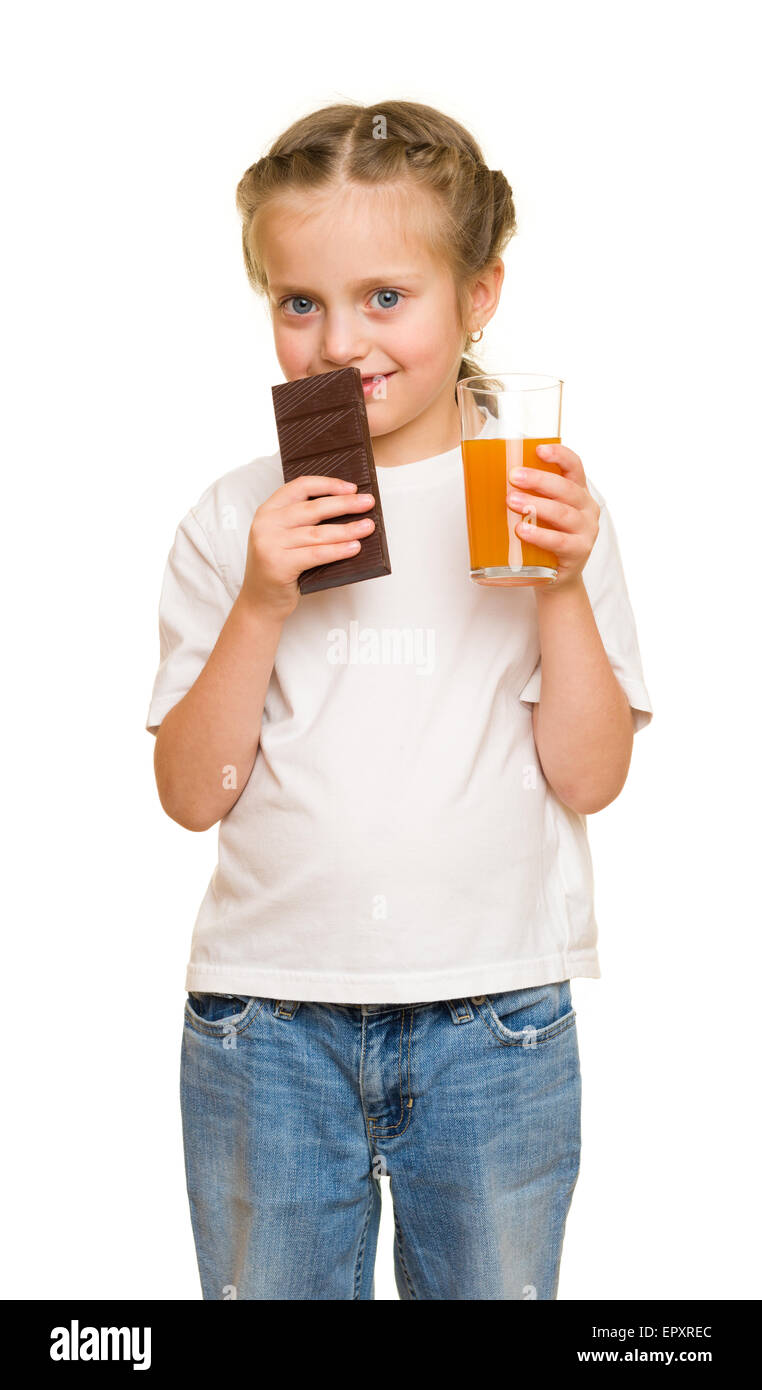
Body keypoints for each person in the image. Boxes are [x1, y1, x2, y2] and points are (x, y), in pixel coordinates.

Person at [146, 99, 653, 1301]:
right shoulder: (236, 519)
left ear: (478, 295)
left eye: (387, 297)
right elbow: (186, 795)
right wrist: (264, 602)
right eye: (299, 302)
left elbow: (590, 777)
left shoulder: (542, 506)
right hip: (269, 1020)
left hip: (495, 1018)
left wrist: (565, 587)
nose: (338, 344)